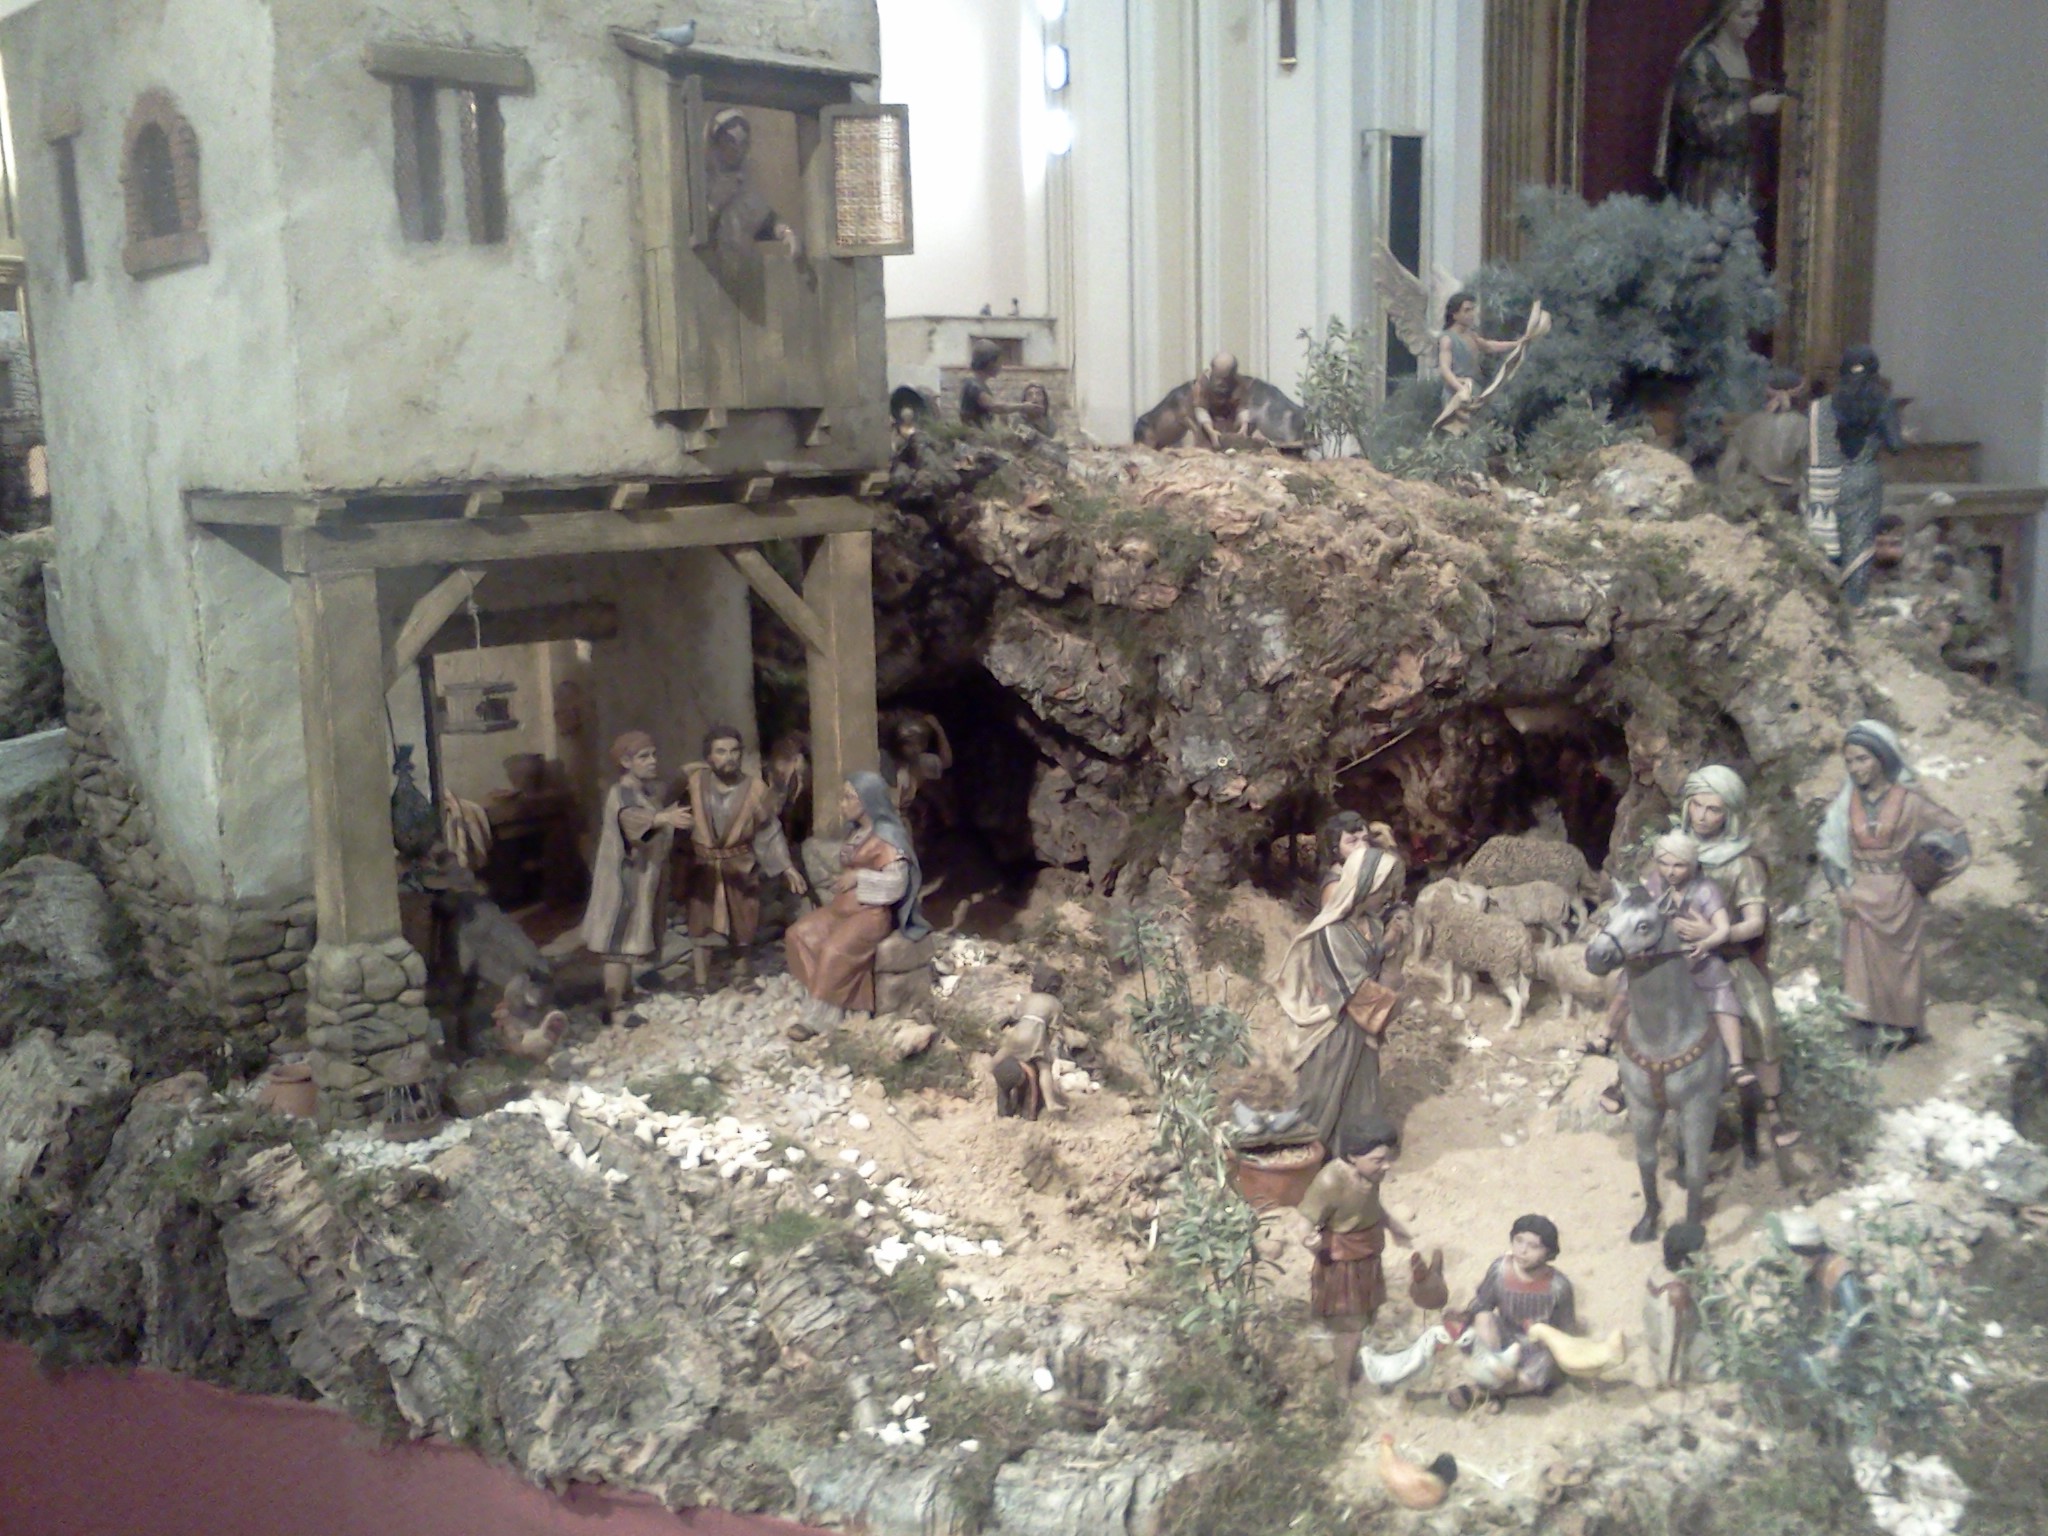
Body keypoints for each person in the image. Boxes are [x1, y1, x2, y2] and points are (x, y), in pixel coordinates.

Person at [1818, 721, 1971, 1051]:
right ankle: (1865, 1027)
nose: (1856, 768)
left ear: (1881, 758)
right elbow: (1830, 851)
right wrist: (1840, 889)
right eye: (1850, 761)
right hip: (1859, 895)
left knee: (1901, 965)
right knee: (1859, 968)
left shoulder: (1910, 801)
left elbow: (1955, 831)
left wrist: (1936, 865)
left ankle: (1904, 1027)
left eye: (1863, 759)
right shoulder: (1846, 804)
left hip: (1900, 895)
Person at [1673, 767, 1798, 1148]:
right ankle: (1624, 1079)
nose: (1702, 816)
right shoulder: (1673, 850)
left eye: (1713, 809)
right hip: (1675, 954)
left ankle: (1773, 1109)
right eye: (1697, 805)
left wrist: (1715, 935)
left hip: (1727, 958)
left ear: (1728, 814)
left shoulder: (1742, 862)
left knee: (1762, 1019)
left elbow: (1755, 923)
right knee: (1630, 998)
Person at [1270, 813, 1409, 1151]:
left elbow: (1378, 960)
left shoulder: (1371, 924)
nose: (1385, 895)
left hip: (1361, 1029)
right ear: (1364, 888)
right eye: (1381, 889)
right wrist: (1393, 1003)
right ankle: (1304, 1156)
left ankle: (1355, 1153)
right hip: (1336, 1030)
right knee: (1323, 1098)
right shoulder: (1332, 933)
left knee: (1361, 1095)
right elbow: (1355, 989)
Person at [1588, 830, 1748, 1112]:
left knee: (1722, 994)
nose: (1670, 871)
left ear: (1692, 865)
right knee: (1627, 991)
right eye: (1664, 863)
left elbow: (1723, 929)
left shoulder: (1705, 890)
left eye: (1678, 865)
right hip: (1660, 960)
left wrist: (1705, 940)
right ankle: (1608, 1042)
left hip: (1698, 957)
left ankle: (1736, 1063)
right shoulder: (1655, 883)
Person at [785, 771, 931, 1034]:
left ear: (867, 800)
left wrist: (859, 878)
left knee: (834, 951)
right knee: (798, 935)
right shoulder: (857, 832)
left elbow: (896, 884)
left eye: (848, 797)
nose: (842, 804)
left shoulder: (888, 837)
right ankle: (826, 998)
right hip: (841, 909)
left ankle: (820, 1018)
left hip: (870, 914)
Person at [675, 726, 808, 990]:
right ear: (709, 756)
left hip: (740, 863)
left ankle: (741, 975)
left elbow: (768, 830)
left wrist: (786, 867)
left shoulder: (756, 789)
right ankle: (700, 982)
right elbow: (672, 814)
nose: (729, 758)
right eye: (721, 752)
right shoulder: (694, 783)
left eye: (734, 751)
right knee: (701, 921)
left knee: (743, 919)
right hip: (704, 864)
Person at [1296, 1119, 1415, 1406]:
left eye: (1388, 1158)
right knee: (1350, 1327)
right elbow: (1304, 1223)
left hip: (1367, 1255)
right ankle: (1341, 1385)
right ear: (1352, 1157)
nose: (1386, 1166)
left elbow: (1371, 1206)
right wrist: (1309, 1241)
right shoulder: (1330, 1181)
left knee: (1364, 1318)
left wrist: (1392, 1225)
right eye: (1378, 1160)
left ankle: (1347, 1360)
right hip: (1343, 1262)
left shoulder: (1371, 1176)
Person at [579, 731, 693, 1022]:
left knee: (631, 937)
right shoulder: (622, 793)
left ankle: (626, 991)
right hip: (624, 880)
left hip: (641, 878)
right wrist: (664, 818)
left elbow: (658, 803)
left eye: (653, 754)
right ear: (626, 762)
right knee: (618, 943)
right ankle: (614, 1007)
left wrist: (682, 779)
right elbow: (633, 822)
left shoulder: (644, 791)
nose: (652, 761)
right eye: (644, 756)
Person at [1656, 0, 1785, 212]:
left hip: (1742, 173)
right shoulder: (1701, 60)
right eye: (1744, 15)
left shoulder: (1748, 58)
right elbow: (1701, 122)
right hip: (1707, 178)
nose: (1753, 22)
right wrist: (1750, 107)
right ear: (1723, 16)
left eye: (1756, 15)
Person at [1805, 347, 1905, 606]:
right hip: (1863, 476)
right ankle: (1854, 605)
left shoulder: (1822, 406)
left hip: (1828, 480)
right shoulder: (1881, 402)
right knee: (1859, 543)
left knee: (1830, 540)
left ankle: (1827, 601)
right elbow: (1895, 445)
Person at [1446, 1214, 1578, 1408]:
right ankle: (1494, 1372)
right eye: (1519, 1241)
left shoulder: (1559, 1287)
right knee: (1484, 1318)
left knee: (1546, 1362)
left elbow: (1566, 1330)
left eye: (1534, 1246)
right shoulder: (1500, 1271)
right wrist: (1464, 1317)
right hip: (1503, 1339)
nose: (1523, 1251)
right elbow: (1483, 1303)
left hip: (1536, 1348)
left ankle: (1483, 1392)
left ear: (1549, 1252)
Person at [1779, 1211, 1867, 1382]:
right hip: (1825, 1335)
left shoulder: (1839, 1270)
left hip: (1850, 1345)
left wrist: (1836, 1347)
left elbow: (1856, 1315)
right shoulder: (1812, 1272)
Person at [705, 108, 801, 259]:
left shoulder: (745, 181)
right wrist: (717, 205)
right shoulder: (701, 181)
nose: (736, 149)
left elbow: (764, 220)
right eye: (730, 141)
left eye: (742, 143)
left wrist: (786, 232)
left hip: (741, 265)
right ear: (716, 142)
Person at [992, 964, 1069, 1120]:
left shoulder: (1028, 998)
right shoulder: (1055, 1004)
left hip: (1018, 1034)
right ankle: (1050, 1102)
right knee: (1044, 1068)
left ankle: (991, 1070)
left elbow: (1015, 1014)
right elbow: (1055, 1028)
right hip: (1036, 1036)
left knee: (1003, 1053)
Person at [1643, 1221, 1712, 1388]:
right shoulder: (1676, 1295)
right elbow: (1671, 1338)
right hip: (1679, 1352)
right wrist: (1669, 1378)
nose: (1708, 1254)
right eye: (1703, 1251)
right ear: (1684, 1263)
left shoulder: (1663, 1268)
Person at [1436, 292, 1523, 419]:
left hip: (1475, 390)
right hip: (1456, 395)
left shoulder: (1471, 335)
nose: (1471, 314)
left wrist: (1517, 344)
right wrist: (1461, 389)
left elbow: (1489, 346)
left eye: (1472, 309)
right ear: (1454, 315)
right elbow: (1445, 369)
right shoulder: (1447, 339)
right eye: (1466, 310)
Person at [960, 338, 1024, 429]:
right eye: (999, 362)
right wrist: (1024, 407)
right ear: (990, 363)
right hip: (974, 435)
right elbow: (995, 407)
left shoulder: (979, 384)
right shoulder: (973, 385)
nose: (1001, 366)